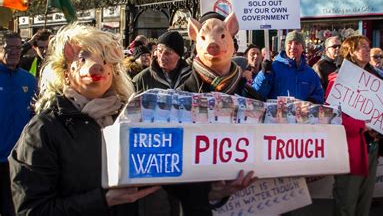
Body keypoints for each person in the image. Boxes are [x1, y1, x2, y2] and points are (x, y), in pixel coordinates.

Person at [9, 24, 249, 216]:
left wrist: (212, 192)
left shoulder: (137, 117)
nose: (97, 67)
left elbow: (169, 179)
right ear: (65, 70)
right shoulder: (44, 130)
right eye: (82, 58)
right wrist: (103, 200)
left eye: (105, 60)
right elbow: (32, 209)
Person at [326, 35, 383, 216]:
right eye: (361, 46)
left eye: (367, 45)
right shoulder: (337, 80)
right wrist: (365, 125)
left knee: (364, 203)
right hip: (350, 151)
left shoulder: (374, 80)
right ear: (351, 52)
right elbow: (334, 119)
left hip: (370, 147)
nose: (367, 49)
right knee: (346, 203)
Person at [0, 32, 36, 216]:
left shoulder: (29, 80)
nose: (14, 52)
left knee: (14, 209)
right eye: (9, 47)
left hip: (19, 159)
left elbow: (34, 116)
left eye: (18, 47)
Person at [253, 30, 324, 103]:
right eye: (289, 43)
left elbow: (319, 95)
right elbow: (257, 94)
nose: (293, 47)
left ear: (303, 48)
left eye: (297, 43)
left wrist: (312, 101)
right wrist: (263, 75)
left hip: (301, 113)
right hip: (277, 113)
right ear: (285, 46)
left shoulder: (310, 73)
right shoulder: (273, 68)